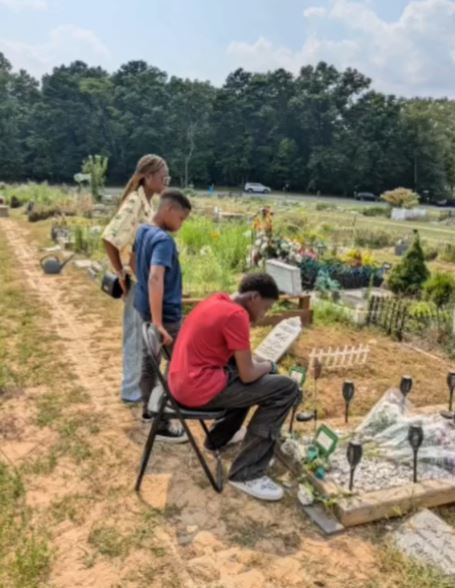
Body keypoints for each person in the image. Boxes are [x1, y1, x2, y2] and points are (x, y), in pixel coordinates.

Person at [168, 273, 301, 501]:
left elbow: (237, 363)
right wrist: (269, 365)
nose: (264, 314)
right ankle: (247, 473)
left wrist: (260, 367)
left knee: (251, 377)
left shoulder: (217, 301)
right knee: (286, 388)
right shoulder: (236, 315)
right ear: (254, 297)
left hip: (181, 380)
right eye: (266, 307)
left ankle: (219, 437)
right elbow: (248, 374)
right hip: (196, 388)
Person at [102, 154, 170, 404]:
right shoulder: (134, 202)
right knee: (135, 336)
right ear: (148, 177)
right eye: (163, 177)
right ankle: (131, 392)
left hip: (144, 281)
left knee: (144, 338)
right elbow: (110, 238)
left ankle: (140, 388)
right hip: (137, 282)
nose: (166, 181)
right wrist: (120, 272)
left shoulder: (148, 204)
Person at [133, 189, 191, 441]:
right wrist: (158, 322)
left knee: (150, 362)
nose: (182, 224)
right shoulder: (163, 241)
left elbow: (135, 263)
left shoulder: (143, 231)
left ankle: (149, 411)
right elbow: (156, 275)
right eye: (182, 218)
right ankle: (162, 422)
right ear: (168, 210)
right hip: (165, 317)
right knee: (180, 364)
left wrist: (144, 291)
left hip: (146, 308)